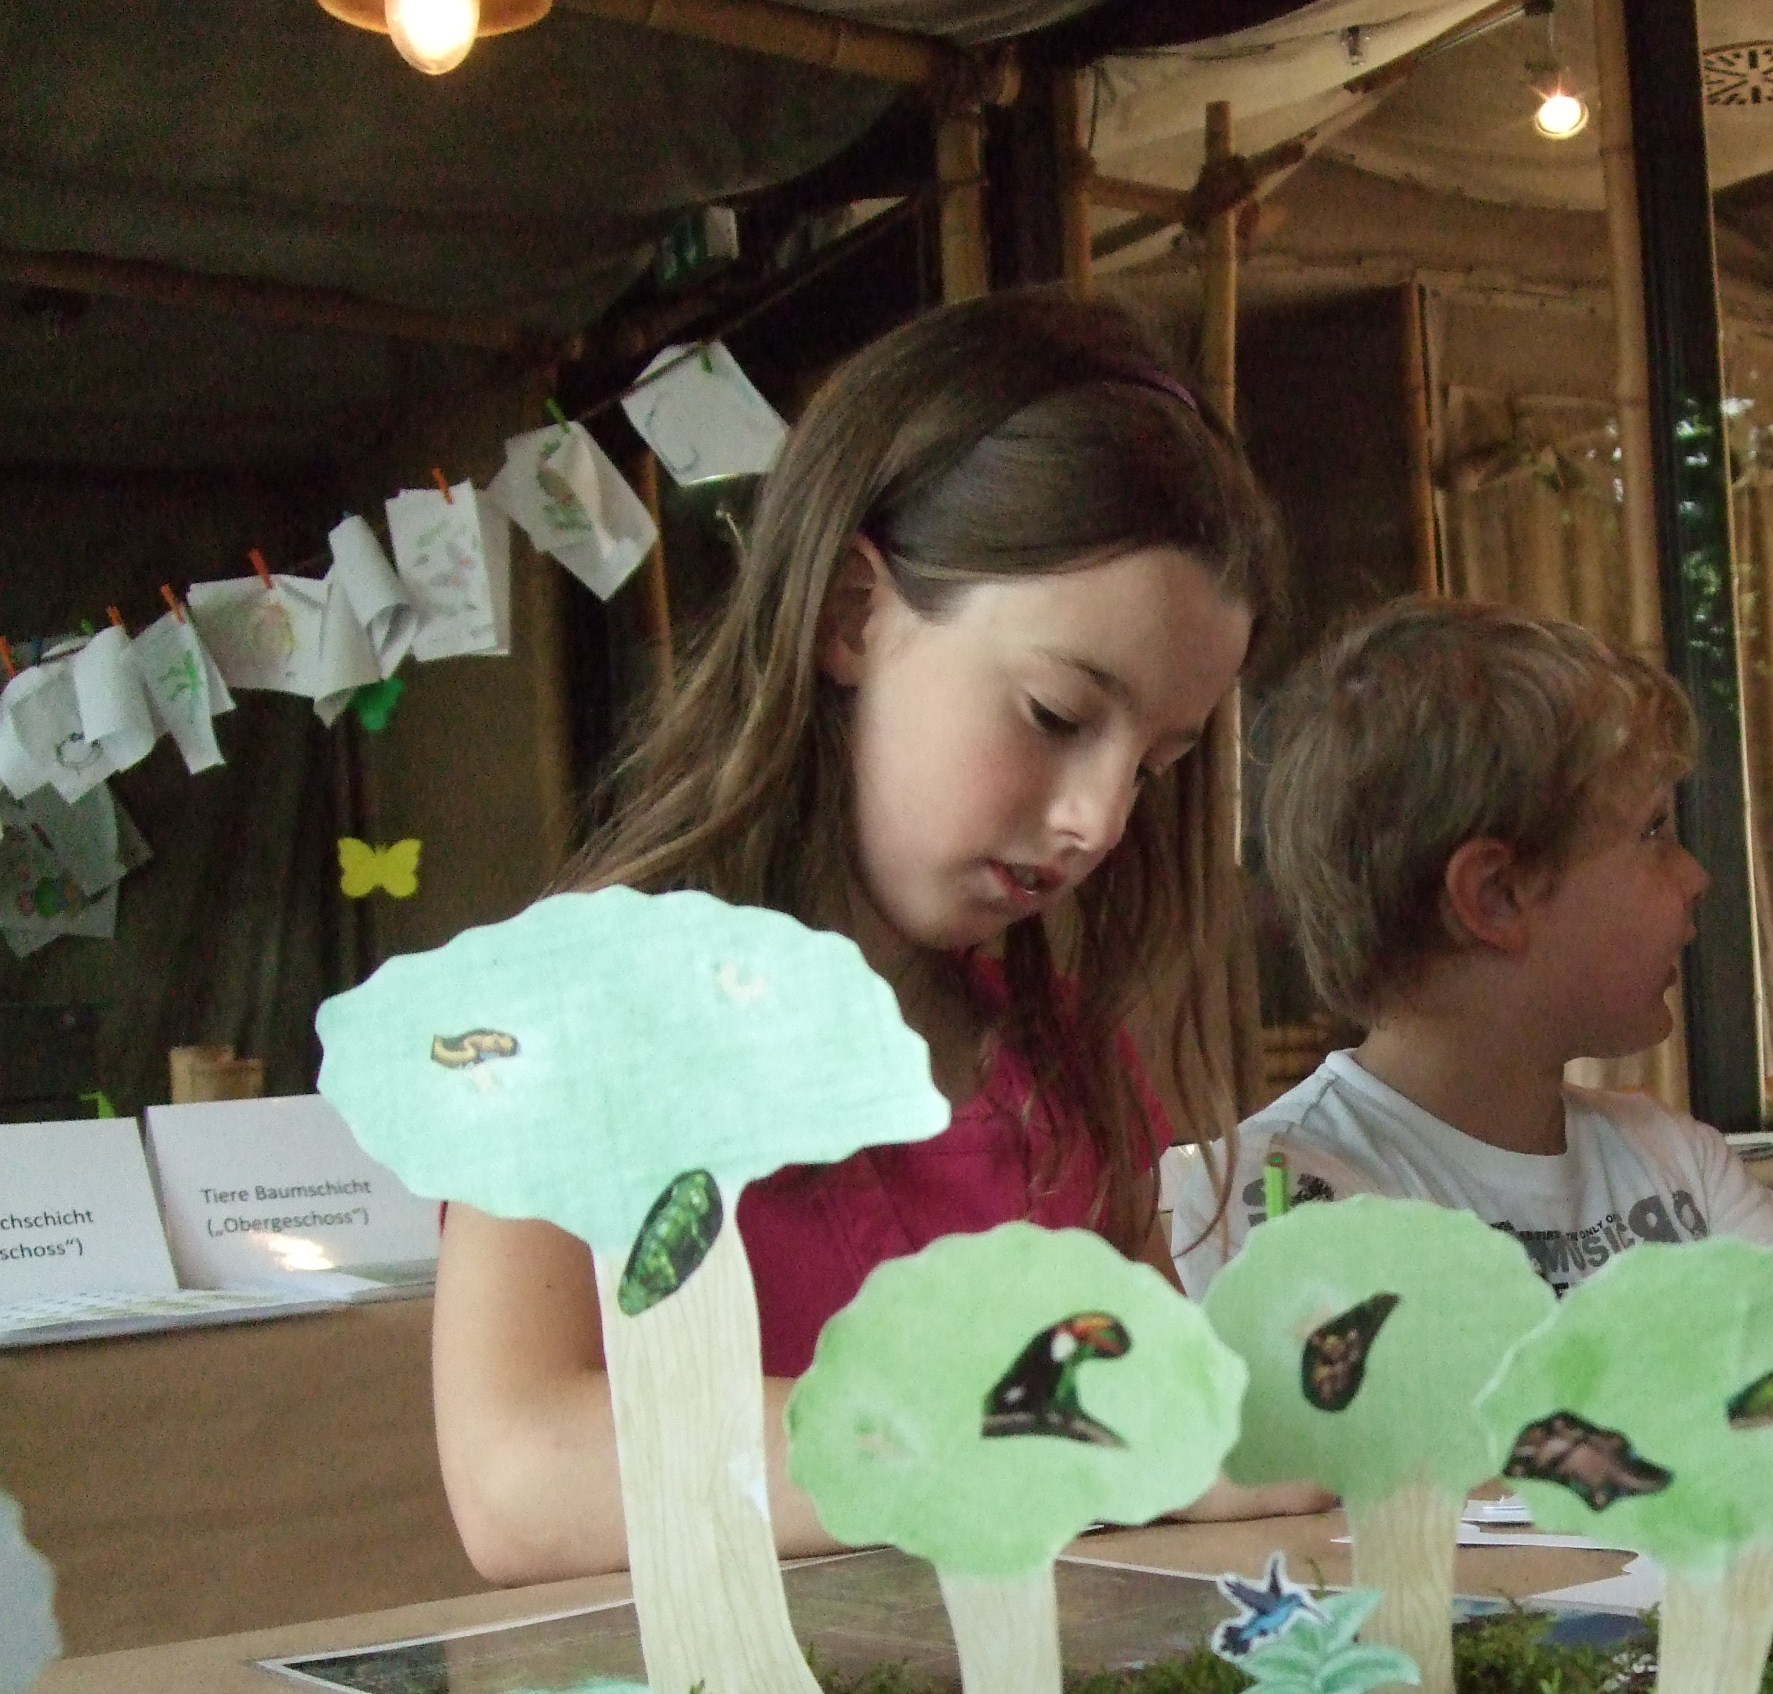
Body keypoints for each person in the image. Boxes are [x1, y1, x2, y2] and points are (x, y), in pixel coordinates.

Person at [434, 291, 1324, 1584]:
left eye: (1160, 765)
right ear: (854, 616)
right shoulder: (576, 1017)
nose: (1097, 820)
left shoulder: (1065, 1063)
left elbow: (1163, 1426)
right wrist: (1053, 1436)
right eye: (1057, 712)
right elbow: (521, 1476)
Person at [1169, 597, 1773, 1365]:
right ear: (1498, 894)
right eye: (1652, 832)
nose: (1695, 877)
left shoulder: (1668, 1163)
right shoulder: (1269, 1199)